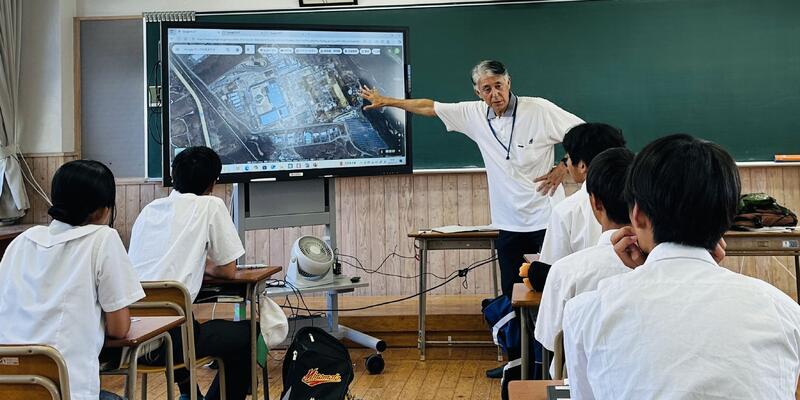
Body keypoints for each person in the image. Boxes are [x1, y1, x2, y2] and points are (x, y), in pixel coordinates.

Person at [562, 134, 800, 399]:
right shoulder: (785, 313)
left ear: (637, 215)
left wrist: (646, 271)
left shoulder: (587, 313)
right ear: (727, 218)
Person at [360, 60, 583, 300]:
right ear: (478, 92)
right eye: (487, 89)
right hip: (508, 222)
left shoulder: (539, 110)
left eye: (499, 86)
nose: (495, 94)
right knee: (512, 292)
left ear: (508, 83)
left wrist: (563, 166)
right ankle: (515, 327)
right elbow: (429, 107)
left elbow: (584, 132)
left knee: (554, 288)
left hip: (546, 218)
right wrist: (387, 101)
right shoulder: (473, 114)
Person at [0, 160, 145, 400]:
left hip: (10, 386)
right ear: (104, 209)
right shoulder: (102, 238)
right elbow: (119, 329)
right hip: (64, 388)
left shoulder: (23, 240)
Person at [128, 146, 249, 400]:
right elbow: (228, 270)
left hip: (133, 337)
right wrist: (201, 265)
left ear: (174, 176)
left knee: (182, 322)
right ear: (213, 183)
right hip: (173, 341)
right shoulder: (210, 205)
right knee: (248, 334)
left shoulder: (149, 209)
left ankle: (189, 394)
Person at [534, 148, 633, 356]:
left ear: (595, 202)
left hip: (575, 374)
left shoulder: (566, 271)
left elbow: (551, 342)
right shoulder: (661, 267)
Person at [537, 123, 626, 265]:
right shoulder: (642, 198)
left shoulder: (567, 210)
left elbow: (551, 268)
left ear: (582, 166)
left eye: (567, 158)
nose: (567, 164)